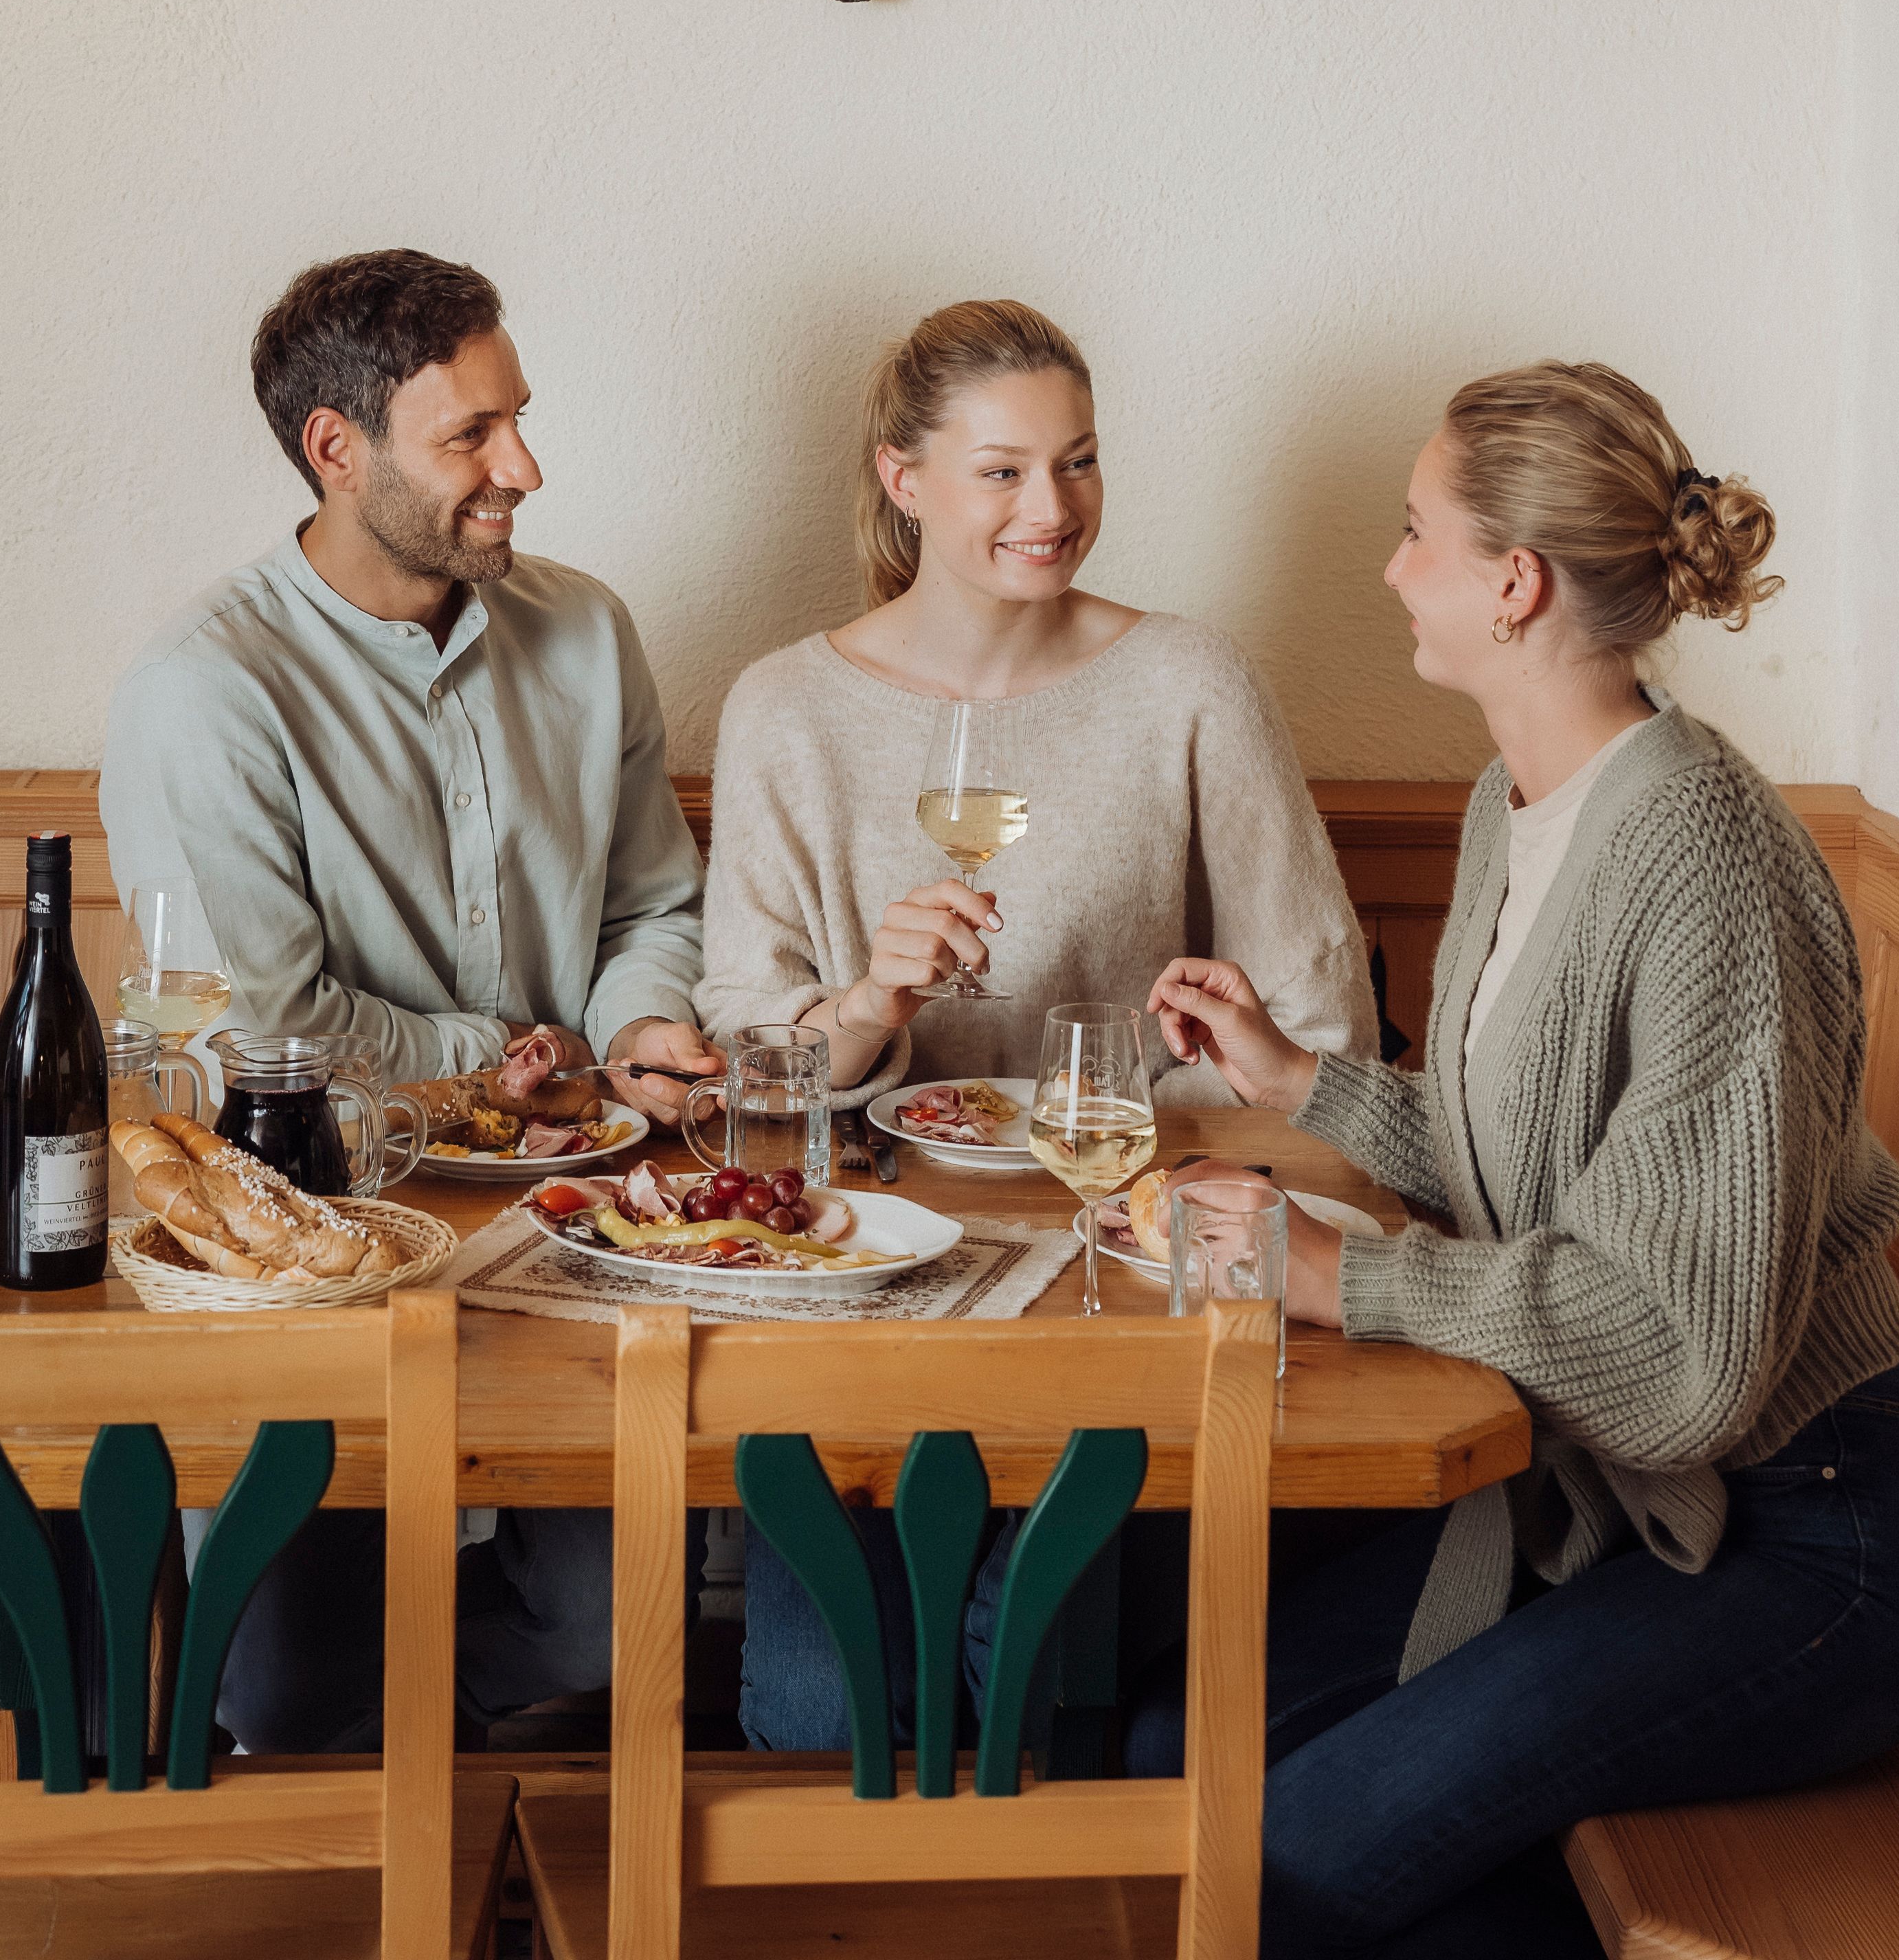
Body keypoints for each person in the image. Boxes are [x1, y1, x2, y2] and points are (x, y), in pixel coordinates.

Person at [1143, 360, 1899, 1960]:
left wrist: (1346, 1278)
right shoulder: (1516, 801)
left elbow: (1683, 1356)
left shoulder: (1705, 857)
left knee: (1303, 1864)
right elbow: (1531, 1176)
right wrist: (1301, 1083)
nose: (1392, 566)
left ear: (1514, 584)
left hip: (1822, 1532)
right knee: (1169, 1748)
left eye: (1415, 532)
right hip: (1619, 1496)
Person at [698, 296, 1375, 1750]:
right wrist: (875, 1003)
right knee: (822, 1729)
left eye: (1077, 463)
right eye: (1002, 470)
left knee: (1047, 1700)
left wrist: (1160, 1116)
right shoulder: (782, 710)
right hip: (853, 1291)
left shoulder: (1192, 685)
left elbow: (1327, 1025)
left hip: (1111, 1273)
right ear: (905, 479)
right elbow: (750, 1067)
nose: (1051, 510)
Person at [102, 248, 719, 1748]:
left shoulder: (588, 632)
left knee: (595, 1618)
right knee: (283, 1691)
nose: (525, 466)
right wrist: (508, 1060)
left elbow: (652, 903)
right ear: (337, 448)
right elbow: (266, 1025)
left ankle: (424, 1787)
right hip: (310, 1228)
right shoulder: (206, 687)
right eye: (472, 438)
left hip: (579, 1227)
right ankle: (342, 1762)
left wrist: (638, 1030)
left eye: (517, 420)